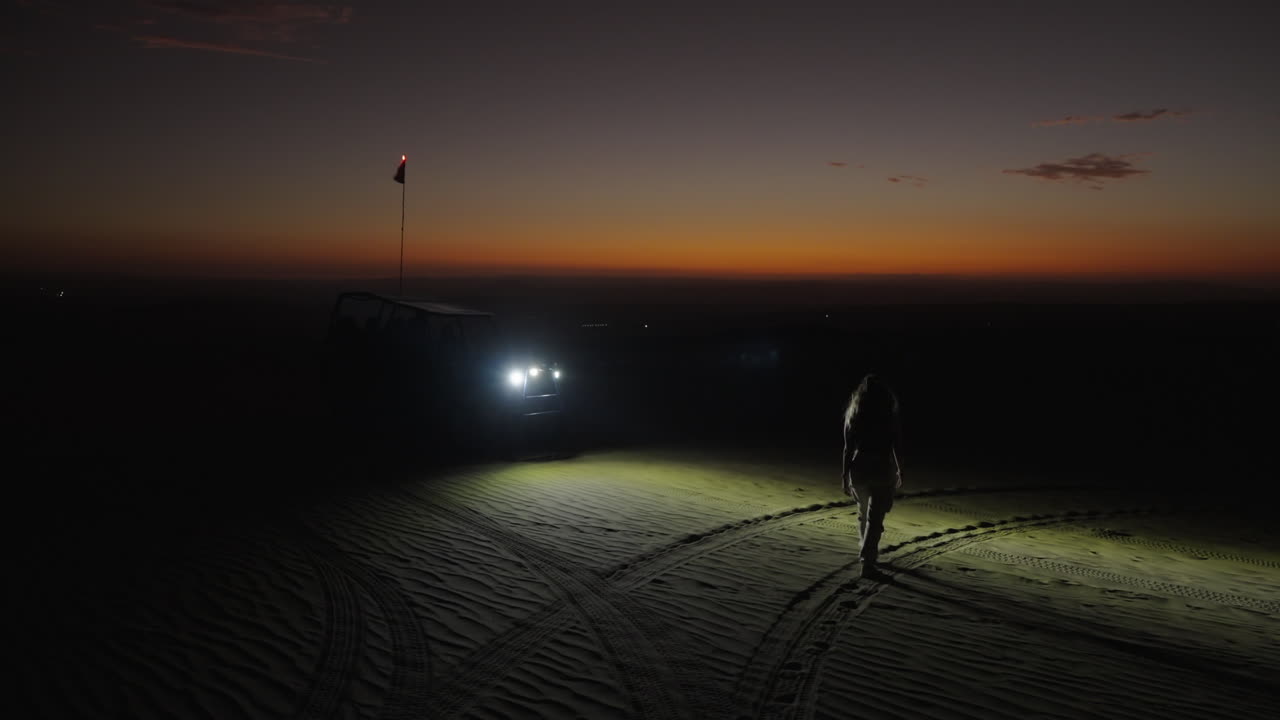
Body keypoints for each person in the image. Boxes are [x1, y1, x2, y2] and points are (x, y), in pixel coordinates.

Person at [842, 373, 903, 575]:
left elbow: (848, 448)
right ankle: (868, 559)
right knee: (875, 519)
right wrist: (897, 469)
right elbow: (893, 447)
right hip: (881, 467)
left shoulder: (854, 415)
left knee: (863, 512)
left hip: (859, 467)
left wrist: (844, 475)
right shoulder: (887, 416)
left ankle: (866, 552)